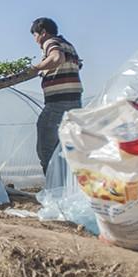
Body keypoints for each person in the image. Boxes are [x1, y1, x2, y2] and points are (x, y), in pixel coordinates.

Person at [30, 17, 83, 175]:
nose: (36, 40)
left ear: (43, 33)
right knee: (65, 149)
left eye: (35, 35)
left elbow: (57, 58)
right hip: (75, 102)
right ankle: (66, 188)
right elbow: (78, 65)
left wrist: (36, 68)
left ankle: (54, 190)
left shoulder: (50, 42)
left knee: (46, 149)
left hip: (58, 103)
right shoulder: (69, 45)